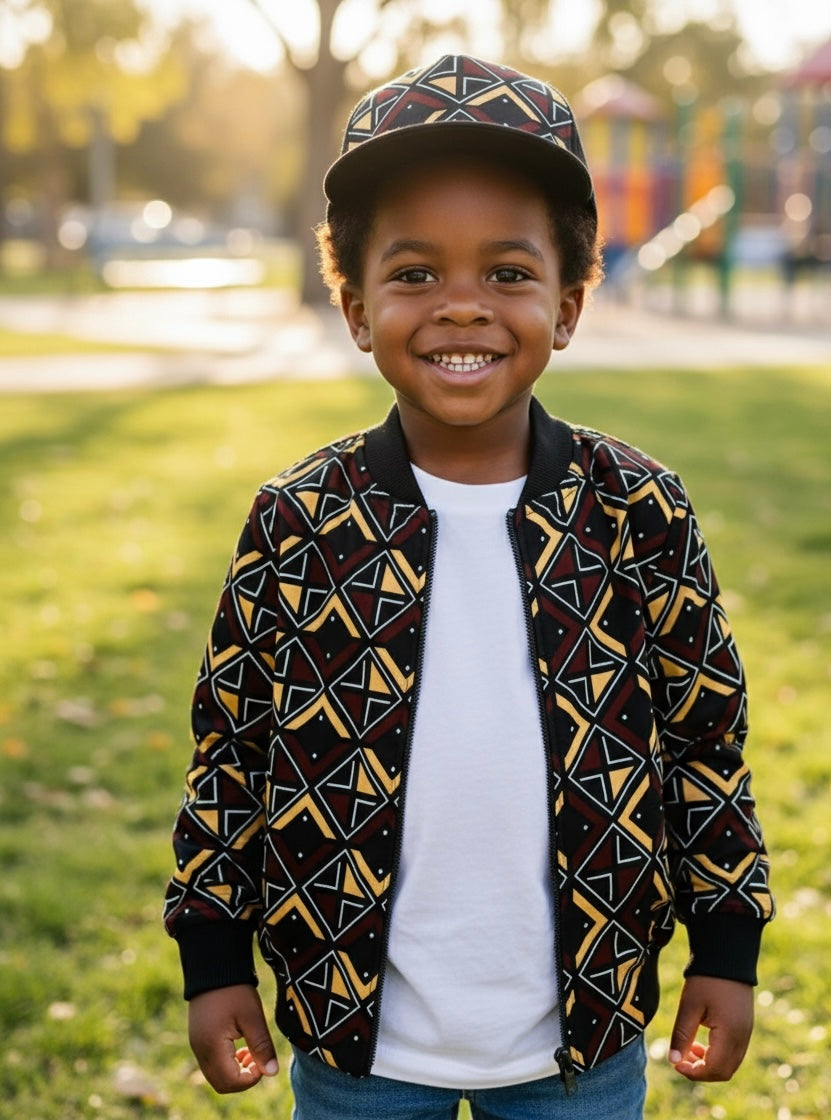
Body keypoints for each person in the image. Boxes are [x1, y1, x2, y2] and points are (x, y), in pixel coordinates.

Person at [164, 54, 773, 1119]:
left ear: (570, 303)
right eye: (413, 275)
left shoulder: (638, 513)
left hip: (580, 1042)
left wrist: (727, 943)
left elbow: (703, 742)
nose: (460, 308)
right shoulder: (299, 521)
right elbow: (233, 749)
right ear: (354, 307)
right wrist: (213, 958)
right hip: (357, 1041)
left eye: (506, 273)